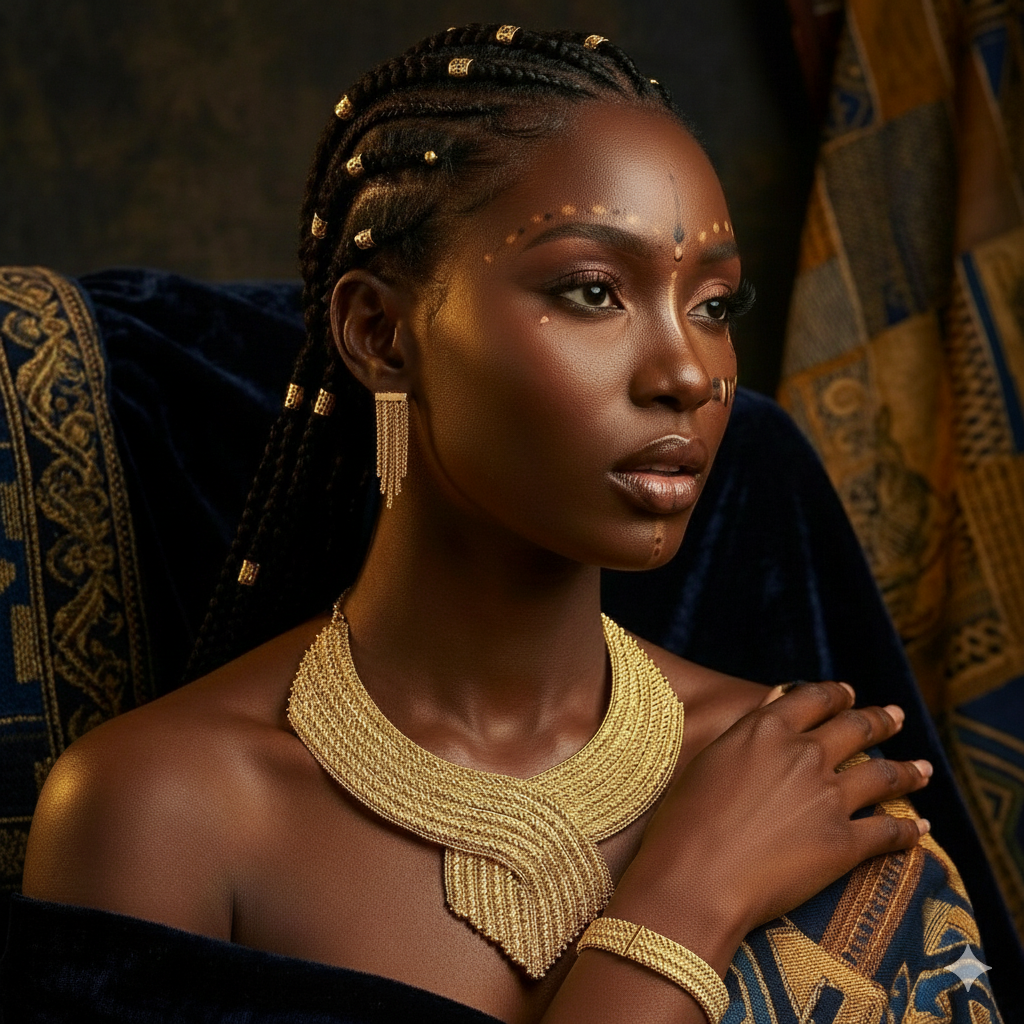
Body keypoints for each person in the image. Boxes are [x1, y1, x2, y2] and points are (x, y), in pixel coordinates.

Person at [7, 25, 1002, 1024]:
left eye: (711, 303)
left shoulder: (803, 778)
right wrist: (680, 907)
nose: (689, 374)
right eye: (592, 291)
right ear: (379, 335)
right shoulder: (162, 812)